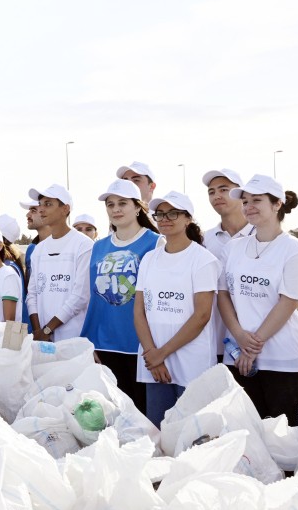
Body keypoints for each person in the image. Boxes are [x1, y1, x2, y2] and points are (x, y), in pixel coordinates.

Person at [217, 175, 298, 425]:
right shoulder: (234, 248)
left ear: (277, 204)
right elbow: (223, 294)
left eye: (257, 200)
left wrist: (253, 345)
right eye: (245, 201)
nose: (249, 206)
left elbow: (288, 302)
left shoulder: (294, 249)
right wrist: (239, 336)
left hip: (283, 360)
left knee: (285, 438)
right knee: (248, 435)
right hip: (238, 355)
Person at [134, 192, 219, 427]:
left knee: (191, 434)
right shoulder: (149, 259)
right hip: (154, 363)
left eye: (173, 213)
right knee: (158, 431)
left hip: (191, 362)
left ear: (188, 218)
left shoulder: (203, 260)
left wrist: (162, 353)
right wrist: (153, 354)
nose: (165, 218)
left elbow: (202, 315)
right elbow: (139, 312)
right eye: (160, 214)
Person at [80, 180, 160, 415]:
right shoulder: (99, 246)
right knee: (115, 415)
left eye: (122, 203)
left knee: (142, 414)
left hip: (139, 345)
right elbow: (93, 297)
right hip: (104, 343)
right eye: (110, 204)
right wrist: (89, 340)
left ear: (138, 207)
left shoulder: (155, 242)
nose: (115, 209)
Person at [26, 184, 93, 342]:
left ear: (65, 209)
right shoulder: (39, 249)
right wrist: (38, 331)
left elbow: (80, 296)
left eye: (48, 204)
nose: (41, 209)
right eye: (40, 204)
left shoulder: (84, 245)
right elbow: (32, 295)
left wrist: (48, 329)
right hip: (42, 340)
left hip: (73, 339)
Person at [202, 168, 255, 361]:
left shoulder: (262, 235)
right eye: (211, 191)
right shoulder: (205, 239)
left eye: (224, 189)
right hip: (218, 340)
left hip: (258, 338)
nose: (217, 196)